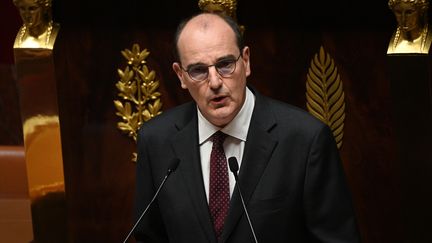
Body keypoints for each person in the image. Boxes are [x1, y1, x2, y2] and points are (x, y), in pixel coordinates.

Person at [134, 12, 360, 242]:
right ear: (180, 75)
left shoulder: (305, 139)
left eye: (225, 65)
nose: (214, 82)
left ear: (246, 61)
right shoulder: (156, 141)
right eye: (198, 71)